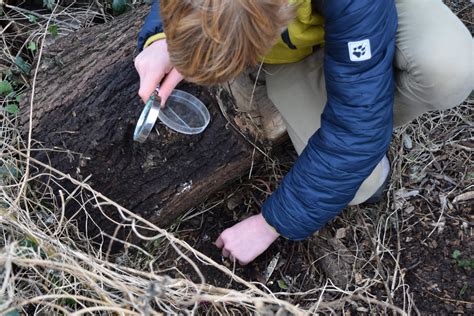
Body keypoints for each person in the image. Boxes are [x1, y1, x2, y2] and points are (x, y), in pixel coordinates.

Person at [135, 0, 473, 265]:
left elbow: (357, 128)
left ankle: (350, 100)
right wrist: (160, 37)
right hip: (297, 41)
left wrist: (271, 224)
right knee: (353, 170)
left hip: (360, 15)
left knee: (448, 71)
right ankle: (340, 103)